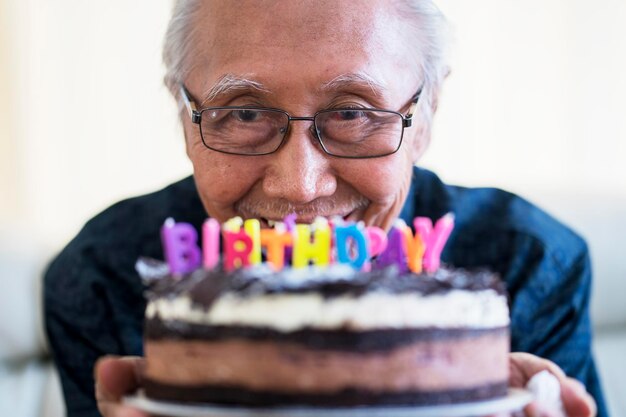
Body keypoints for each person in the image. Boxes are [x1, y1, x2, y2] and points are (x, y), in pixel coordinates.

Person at [44, 1, 605, 416]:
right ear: (182, 112)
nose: (300, 189)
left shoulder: (528, 262)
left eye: (354, 113)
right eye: (243, 114)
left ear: (427, 111)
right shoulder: (105, 275)